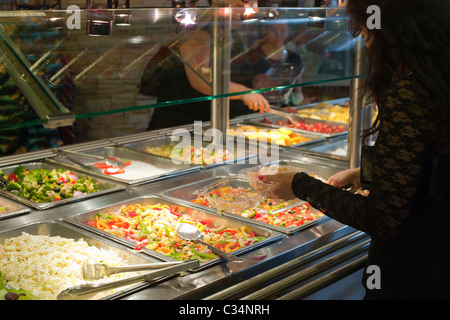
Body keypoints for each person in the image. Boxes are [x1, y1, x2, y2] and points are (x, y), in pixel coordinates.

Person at [259, 0, 450, 299]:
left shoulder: (410, 95)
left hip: (413, 274)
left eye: (365, 33)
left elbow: (381, 220)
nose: (366, 43)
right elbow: (434, 167)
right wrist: (370, 173)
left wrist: (300, 184)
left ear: (393, 32)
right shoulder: (439, 82)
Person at [141, 0, 270, 130]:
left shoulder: (227, 32)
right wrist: (245, 92)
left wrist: (251, 81)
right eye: (241, 5)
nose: (248, 11)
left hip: (208, 121)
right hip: (181, 123)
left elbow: (223, 72)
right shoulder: (198, 34)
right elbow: (201, 80)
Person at [247, 23, 312, 106]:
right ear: (264, 30)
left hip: (285, 110)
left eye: (282, 31)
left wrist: (301, 104)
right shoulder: (253, 56)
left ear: (288, 32)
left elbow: (297, 91)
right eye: (273, 30)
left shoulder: (294, 58)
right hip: (256, 110)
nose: (277, 35)